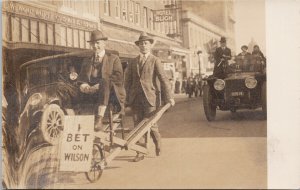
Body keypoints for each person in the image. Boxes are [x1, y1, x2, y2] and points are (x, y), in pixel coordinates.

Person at [125, 32, 175, 162]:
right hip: (135, 98)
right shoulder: (133, 61)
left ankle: (157, 141)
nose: (143, 46)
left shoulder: (155, 60)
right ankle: (140, 152)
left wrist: (169, 97)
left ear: (150, 45)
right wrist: (126, 98)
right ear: (139, 46)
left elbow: (163, 79)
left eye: (146, 43)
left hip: (150, 97)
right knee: (137, 125)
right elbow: (127, 81)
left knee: (151, 124)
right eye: (141, 43)